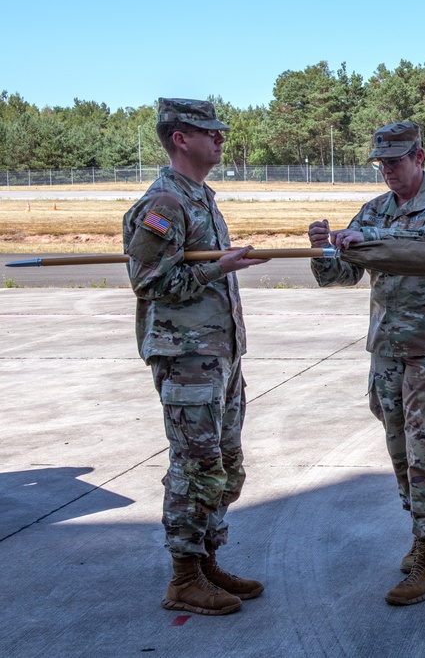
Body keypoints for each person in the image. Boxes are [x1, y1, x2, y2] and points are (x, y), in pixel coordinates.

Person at [308, 122, 425, 606]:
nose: (387, 169)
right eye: (381, 162)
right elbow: (343, 275)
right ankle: (420, 532)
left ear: (420, 157)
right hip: (389, 348)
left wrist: (369, 235)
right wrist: (326, 248)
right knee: (400, 448)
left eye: (396, 160)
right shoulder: (376, 208)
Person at [122, 98, 269, 616]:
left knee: (225, 463)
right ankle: (183, 577)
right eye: (211, 132)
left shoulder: (202, 198)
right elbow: (147, 282)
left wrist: (222, 268)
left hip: (219, 356)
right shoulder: (166, 204)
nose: (221, 139)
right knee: (194, 464)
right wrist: (219, 267)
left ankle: (206, 561)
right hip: (187, 358)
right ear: (181, 137)